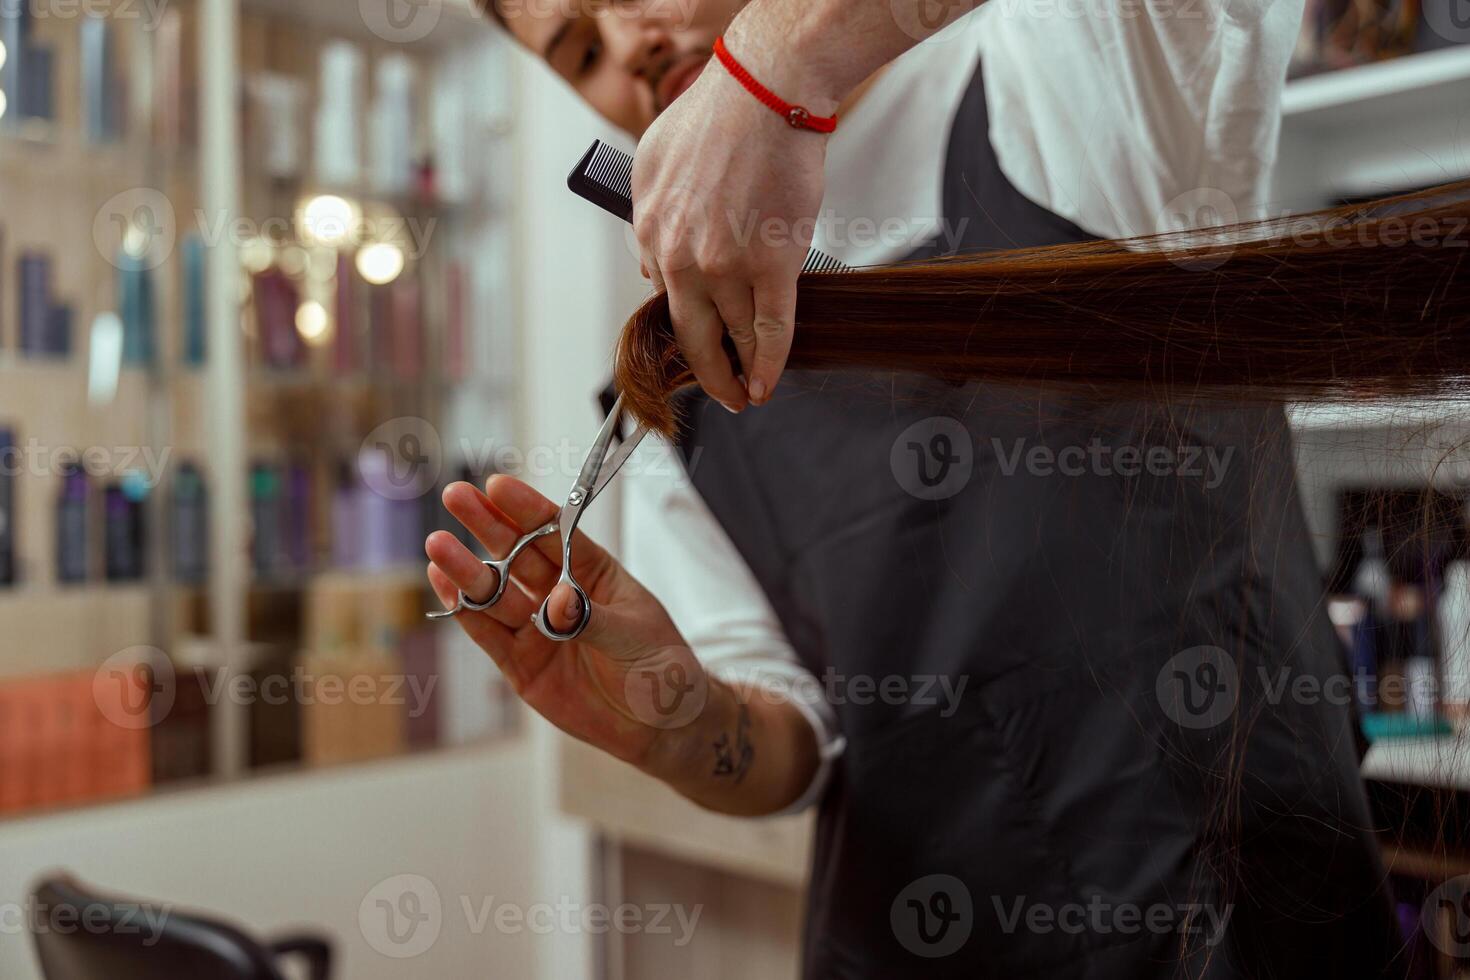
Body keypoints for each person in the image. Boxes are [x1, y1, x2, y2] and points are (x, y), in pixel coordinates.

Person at [424, 0, 1408, 974]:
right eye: (582, 50)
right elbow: (788, 738)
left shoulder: (1066, 69)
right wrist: (678, 725)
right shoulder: (678, 383)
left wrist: (776, 67)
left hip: (1239, 922)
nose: (632, 45)